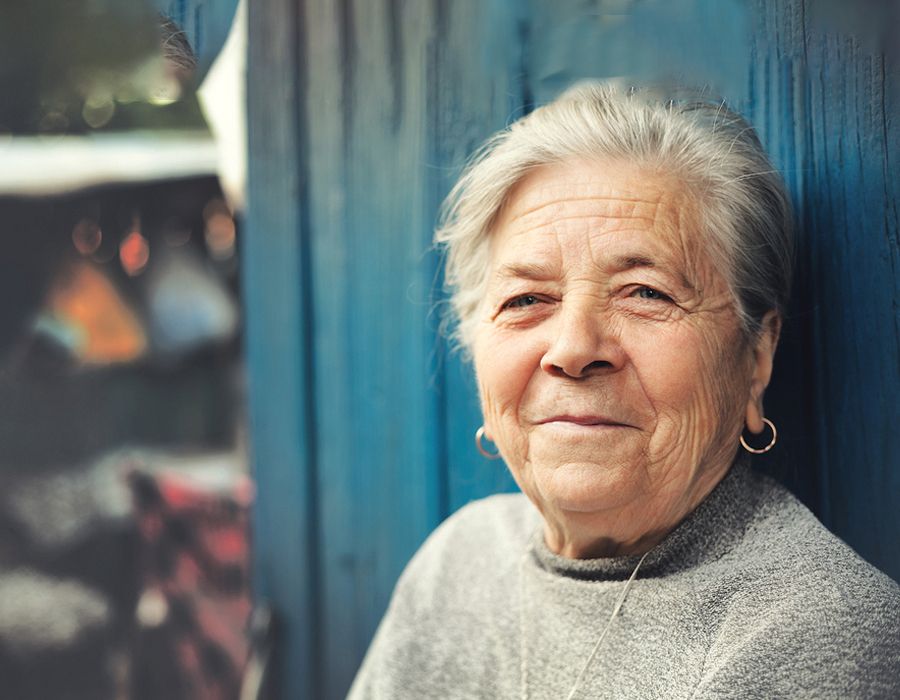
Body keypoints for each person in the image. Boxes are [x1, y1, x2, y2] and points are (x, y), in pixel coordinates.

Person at [347, 83, 900, 699]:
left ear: (755, 357)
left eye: (646, 293)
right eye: (527, 299)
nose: (574, 349)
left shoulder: (810, 638)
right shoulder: (459, 561)